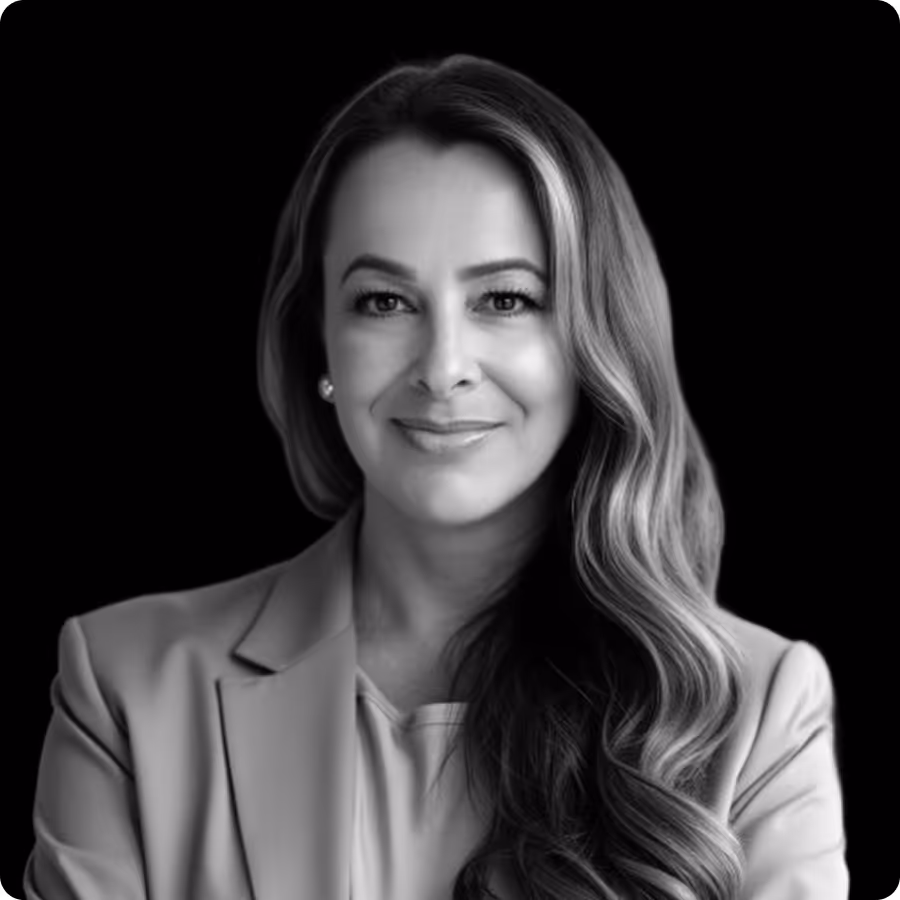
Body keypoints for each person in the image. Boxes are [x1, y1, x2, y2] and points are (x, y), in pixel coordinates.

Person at [23, 54, 849, 900]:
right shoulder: (126, 687)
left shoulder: (759, 710)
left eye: (506, 300)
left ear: (597, 340)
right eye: (384, 301)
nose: (443, 367)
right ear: (320, 346)